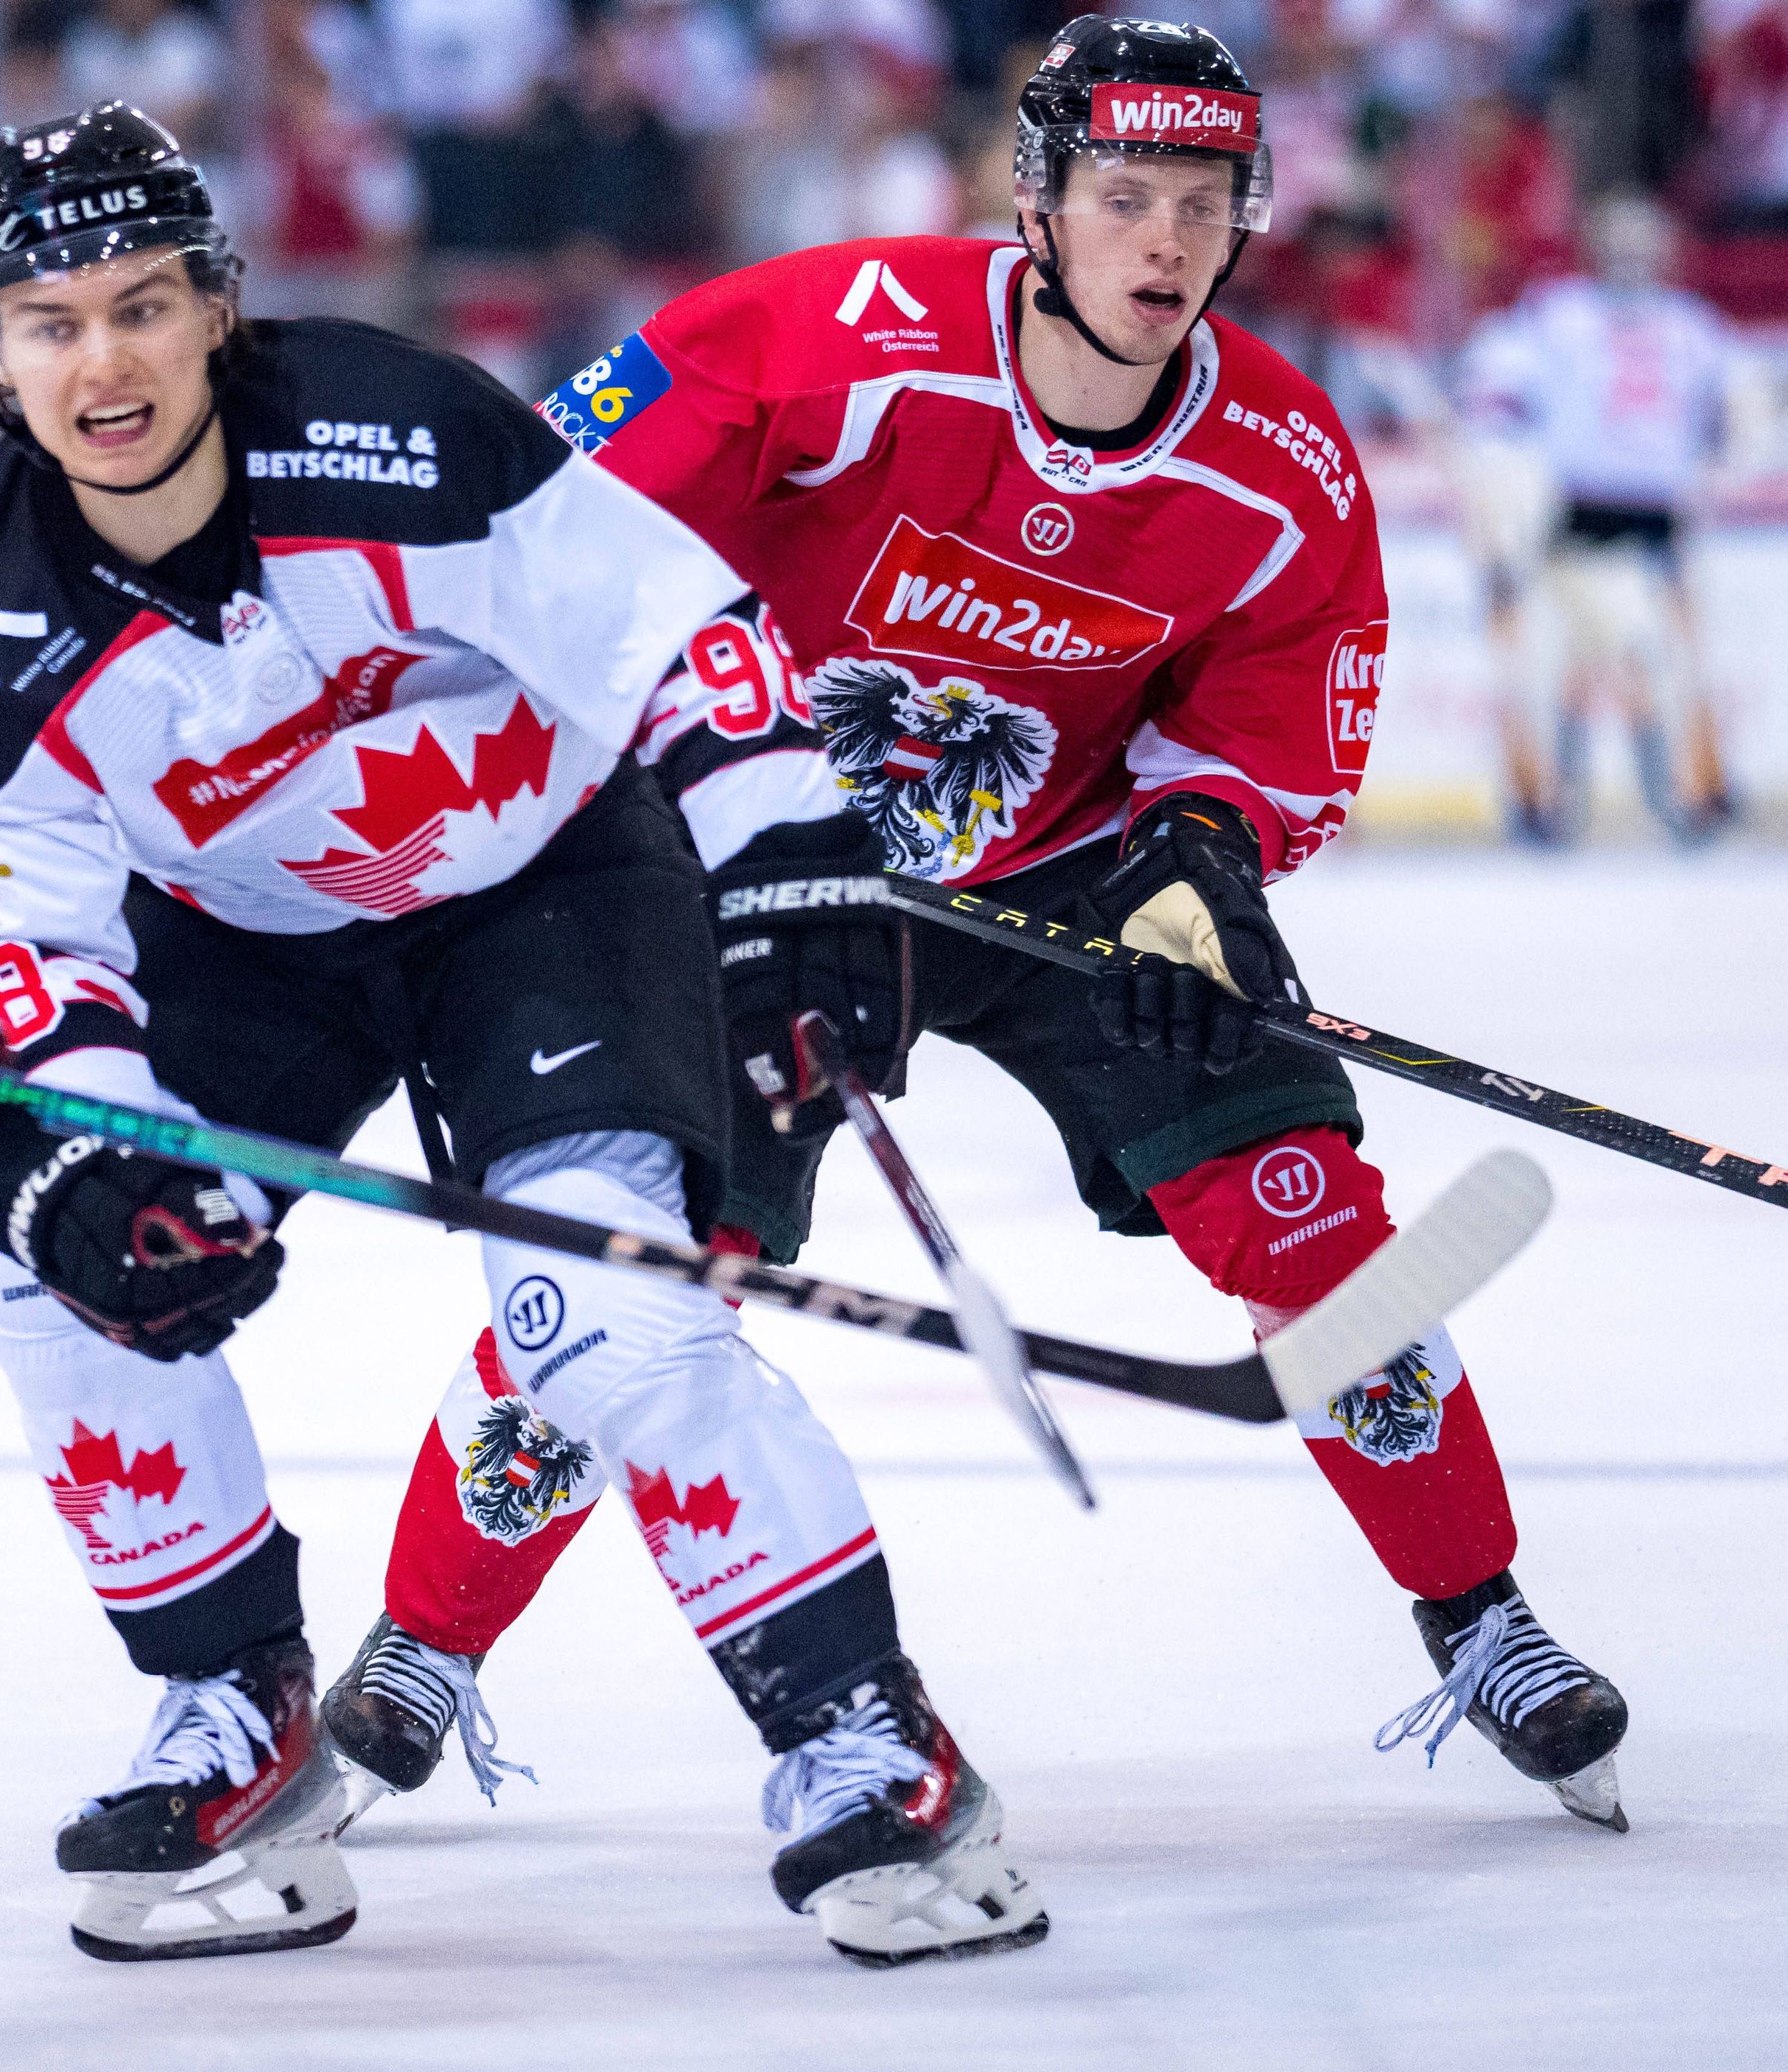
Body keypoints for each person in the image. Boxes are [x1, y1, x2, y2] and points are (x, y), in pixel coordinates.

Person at [329, 15, 1634, 1840]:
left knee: (1305, 1219)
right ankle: (426, 1639)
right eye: (1124, 195)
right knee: (637, 1256)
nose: (1164, 242)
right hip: (759, 853)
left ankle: (1479, 1612)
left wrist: (1204, 854)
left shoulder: (1282, 461)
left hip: (1070, 866)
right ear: (1038, 199)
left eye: (1202, 201)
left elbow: (1282, 712)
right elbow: (546, 559)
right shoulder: (814, 341)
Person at [0, 102, 1046, 1969]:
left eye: (145, 305)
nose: (105, 358)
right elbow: (23, 944)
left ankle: (863, 1739)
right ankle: (237, 1718)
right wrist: (92, 1153)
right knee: (53, 1263)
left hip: (543, 883)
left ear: (218, 309)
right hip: (249, 942)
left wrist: (793, 862)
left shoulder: (402, 430)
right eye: (53, 318)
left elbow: (671, 635)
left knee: (603, 1309)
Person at [1459, 192, 1747, 845]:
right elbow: (1731, 418)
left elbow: (1490, 396)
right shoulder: (1677, 323)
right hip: (1599, 510)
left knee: (1638, 664)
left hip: (1627, 511)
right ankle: (1629, 802)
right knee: (1593, 661)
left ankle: (1660, 799)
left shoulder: (1566, 313)